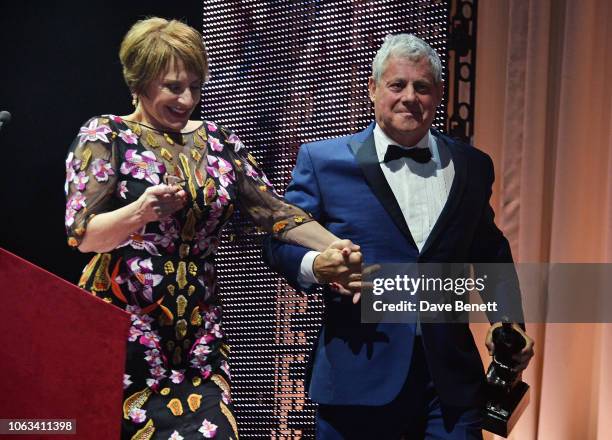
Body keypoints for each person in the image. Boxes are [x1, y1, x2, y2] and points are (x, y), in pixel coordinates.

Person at [64, 17, 359, 440]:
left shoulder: (220, 144)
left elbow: (275, 212)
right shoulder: (105, 134)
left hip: (198, 335)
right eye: (173, 86)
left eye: (195, 87)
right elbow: (83, 236)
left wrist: (341, 247)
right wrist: (139, 212)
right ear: (141, 82)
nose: (187, 99)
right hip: (122, 334)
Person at [263, 34, 535, 439]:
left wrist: (509, 323)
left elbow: (490, 252)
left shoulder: (473, 166)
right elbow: (281, 239)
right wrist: (317, 266)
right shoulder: (323, 161)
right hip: (357, 378)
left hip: (450, 386)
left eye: (422, 87)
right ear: (373, 89)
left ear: (438, 94)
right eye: (397, 85)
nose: (410, 97)